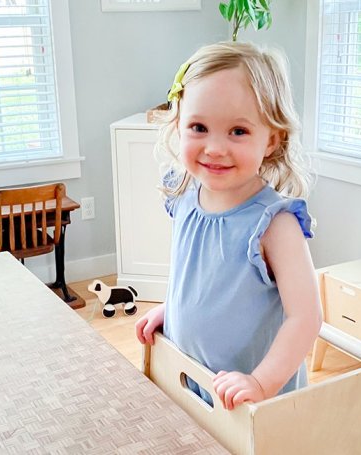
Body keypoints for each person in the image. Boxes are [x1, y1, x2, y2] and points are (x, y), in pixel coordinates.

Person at [135, 41, 322, 411]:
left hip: (251, 401)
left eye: (237, 131)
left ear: (272, 138)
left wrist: (260, 382)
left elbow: (306, 317)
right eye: (199, 127)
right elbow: (195, 279)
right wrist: (171, 312)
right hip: (194, 382)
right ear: (179, 126)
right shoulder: (185, 195)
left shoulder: (274, 224)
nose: (215, 148)